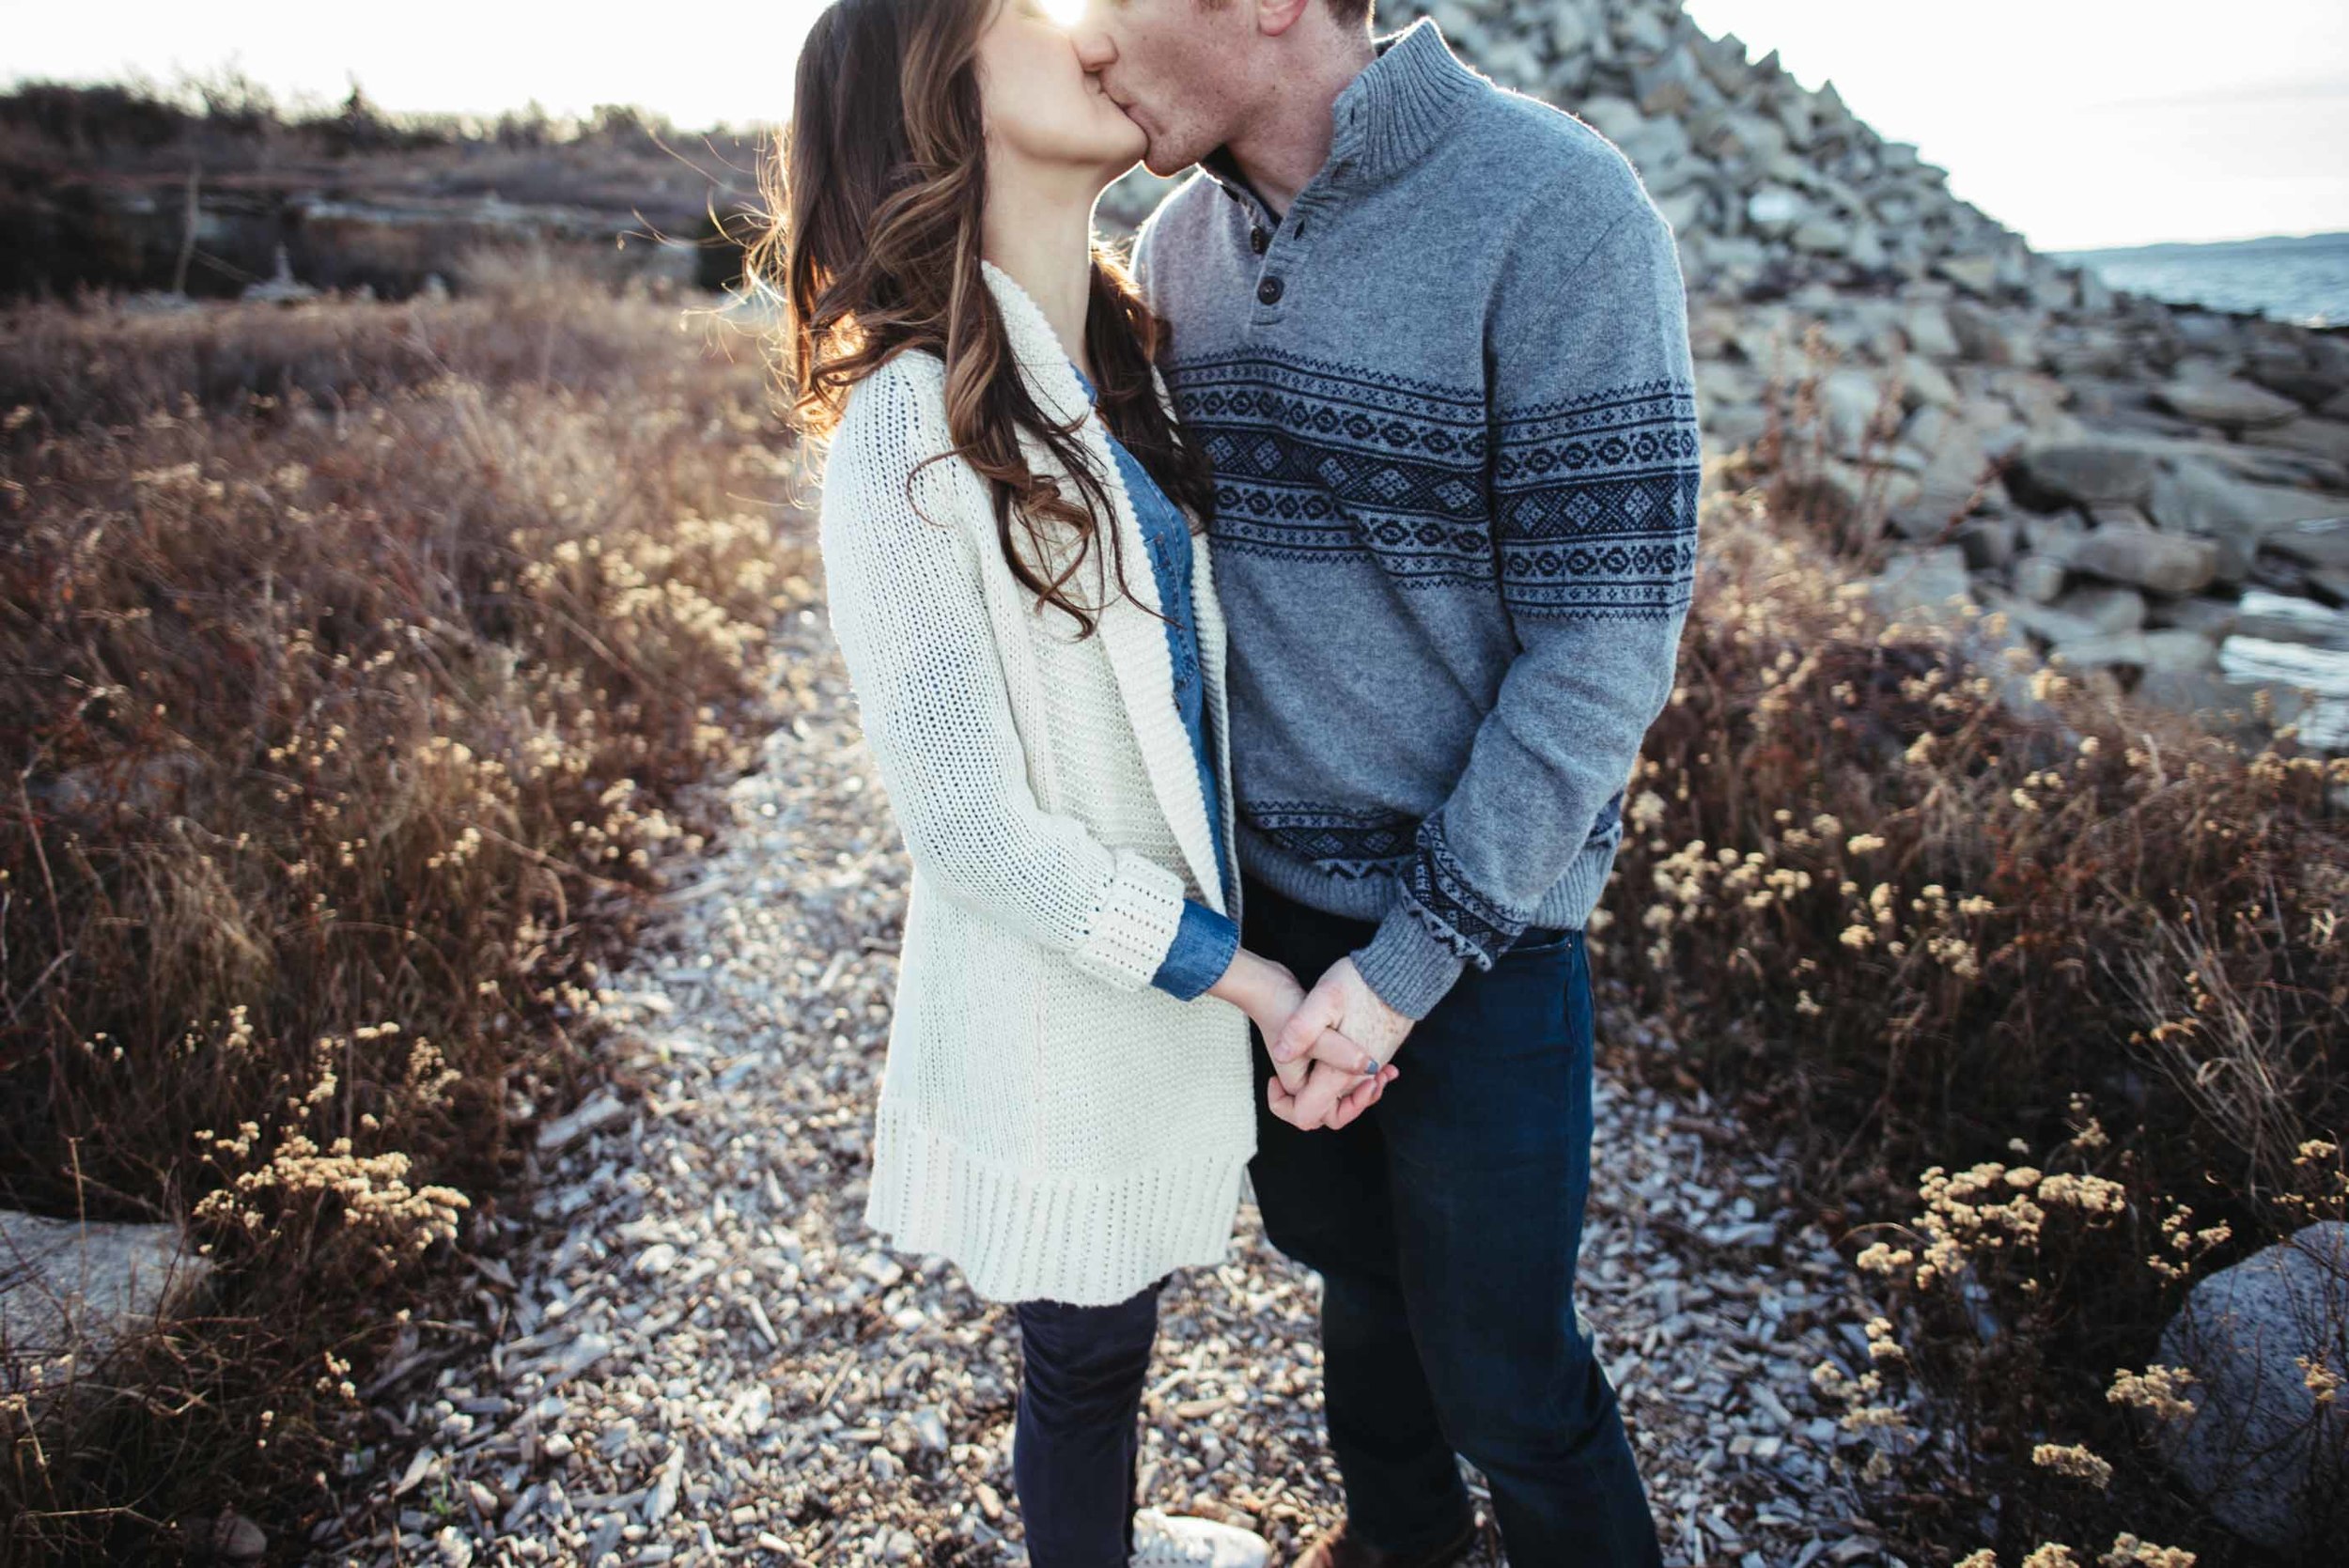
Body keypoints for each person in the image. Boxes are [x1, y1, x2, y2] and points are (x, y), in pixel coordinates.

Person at [752, 1, 1403, 1563]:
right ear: (940, 98)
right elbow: (969, 820)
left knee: (1122, 1313)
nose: (1096, 36)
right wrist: (1239, 972)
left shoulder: (1121, 353)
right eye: (1029, 19)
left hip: (1171, 966)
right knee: (1083, 1344)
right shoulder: (906, 419)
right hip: (1080, 978)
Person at [1065, 2, 1704, 1564]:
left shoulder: (1556, 207)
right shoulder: (1180, 247)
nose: (1086, 32)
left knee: (1510, 1375)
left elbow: (1602, 653)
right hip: (1276, 920)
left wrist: (1405, 967)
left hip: (1482, 943)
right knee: (1353, 1272)